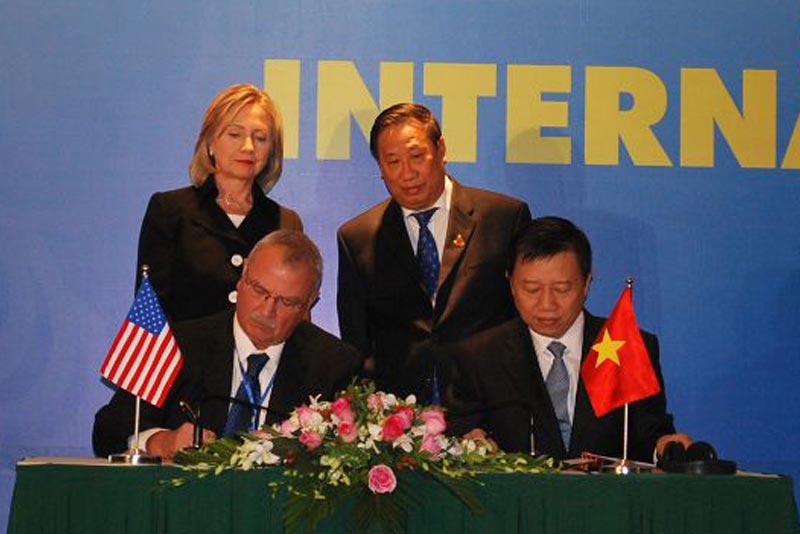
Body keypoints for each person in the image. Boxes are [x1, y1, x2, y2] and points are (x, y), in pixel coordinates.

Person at [93, 230, 361, 459]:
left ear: (310, 303)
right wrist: (161, 442)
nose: (267, 310)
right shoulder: (179, 345)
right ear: (241, 279)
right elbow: (108, 430)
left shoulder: (333, 364)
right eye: (259, 290)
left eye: (287, 302)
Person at [444, 217, 691, 462]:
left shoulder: (628, 346)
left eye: (562, 289)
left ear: (586, 285)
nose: (547, 305)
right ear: (510, 285)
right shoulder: (479, 357)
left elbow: (647, 437)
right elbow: (461, 436)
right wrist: (471, 444)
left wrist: (665, 447)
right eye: (531, 289)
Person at [337, 103, 531, 401]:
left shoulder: (504, 218)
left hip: (489, 407)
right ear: (380, 168)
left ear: (441, 150)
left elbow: (522, 324)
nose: (407, 173)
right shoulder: (357, 238)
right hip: (401, 422)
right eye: (393, 162)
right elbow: (356, 345)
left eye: (416, 156)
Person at [136, 83, 302, 322]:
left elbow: (291, 317)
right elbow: (150, 313)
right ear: (211, 142)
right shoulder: (170, 211)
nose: (248, 147)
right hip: (187, 357)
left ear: (272, 150)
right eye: (235, 134)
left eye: (261, 138)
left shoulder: (285, 222)